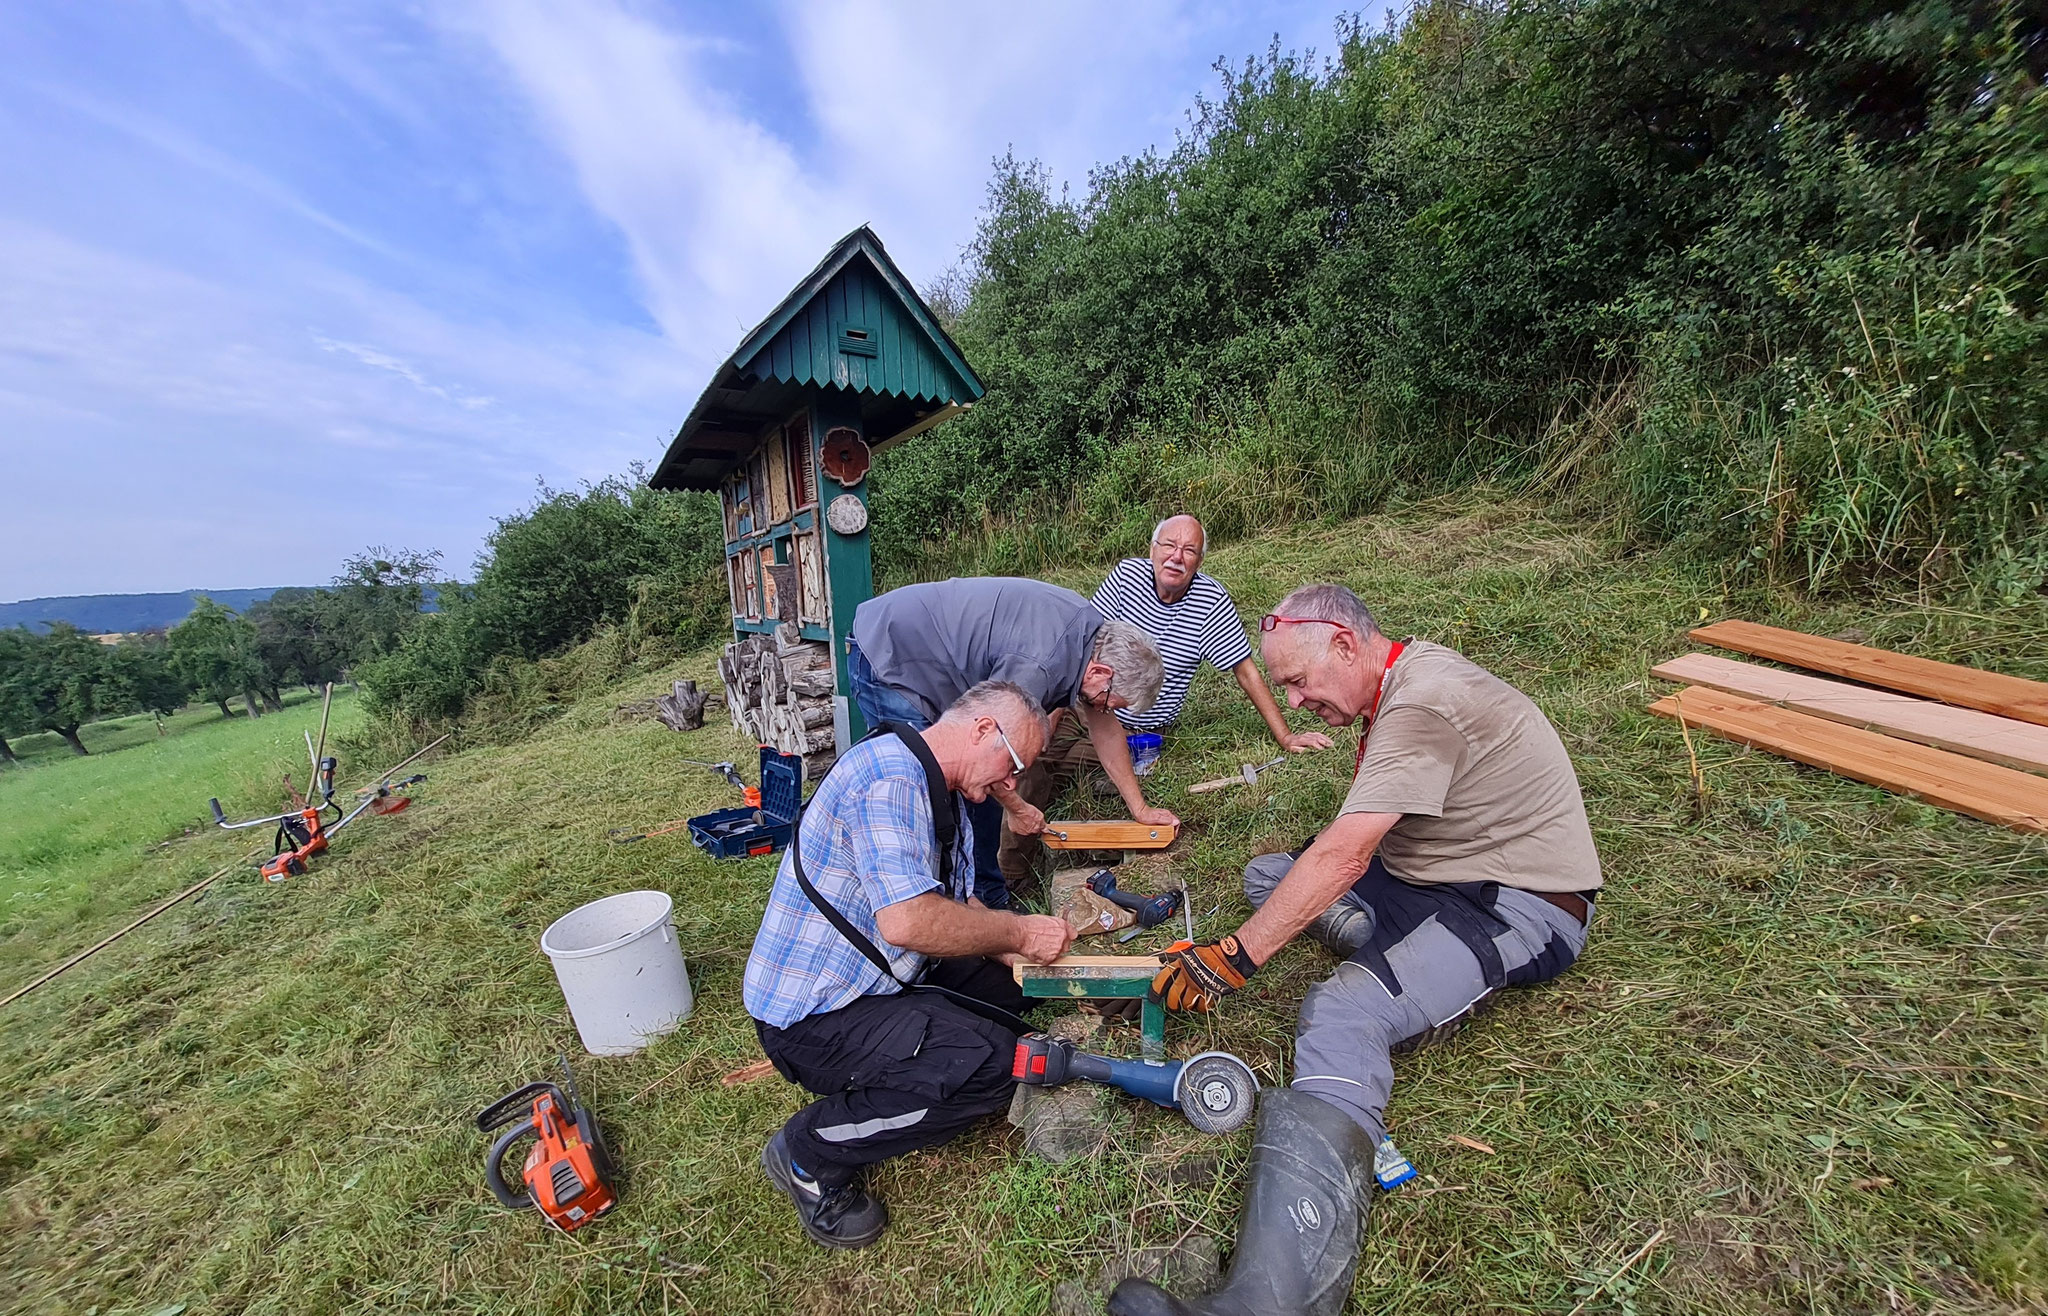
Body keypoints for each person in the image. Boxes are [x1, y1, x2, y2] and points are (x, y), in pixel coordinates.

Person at [1113, 584, 1602, 1316]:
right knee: (1271, 876)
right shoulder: (1405, 678)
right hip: (1434, 870)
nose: (1298, 702)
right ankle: (1404, 959)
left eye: (1298, 683)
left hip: (1515, 900)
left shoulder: (1422, 703)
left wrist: (1234, 958)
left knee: (1341, 1010)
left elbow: (1344, 856)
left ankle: (1270, 1301)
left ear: (1344, 643)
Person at [745, 681, 1076, 1250]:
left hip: (892, 973)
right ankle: (811, 1152)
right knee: (990, 1068)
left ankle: (935, 1036)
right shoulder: (889, 779)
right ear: (981, 730)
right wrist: (1020, 929)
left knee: (1016, 997)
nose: (1013, 783)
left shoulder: (941, 786)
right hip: (816, 1017)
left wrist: (1013, 952)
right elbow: (908, 921)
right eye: (1014, 763)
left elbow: (960, 904)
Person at [999, 515, 1333, 891]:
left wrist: (1285, 736)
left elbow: (1245, 670)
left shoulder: (1211, 601)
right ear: (1152, 550)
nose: (1177, 557)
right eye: (1169, 546)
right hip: (1086, 707)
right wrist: (1051, 720)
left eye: (1189, 550)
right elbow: (1083, 648)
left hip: (1140, 730)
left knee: (1076, 764)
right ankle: (1011, 876)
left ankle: (1075, 788)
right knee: (1037, 757)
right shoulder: (1126, 578)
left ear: (1199, 561)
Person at [846, 576, 1177, 909]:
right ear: (1100, 672)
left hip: (932, 655)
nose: (1105, 709)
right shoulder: (1040, 666)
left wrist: (1141, 809)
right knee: (925, 790)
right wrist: (1019, 808)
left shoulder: (1089, 637)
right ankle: (920, 904)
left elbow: (1105, 729)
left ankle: (986, 901)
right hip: (892, 653)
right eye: (1109, 701)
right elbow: (989, 751)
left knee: (981, 790)